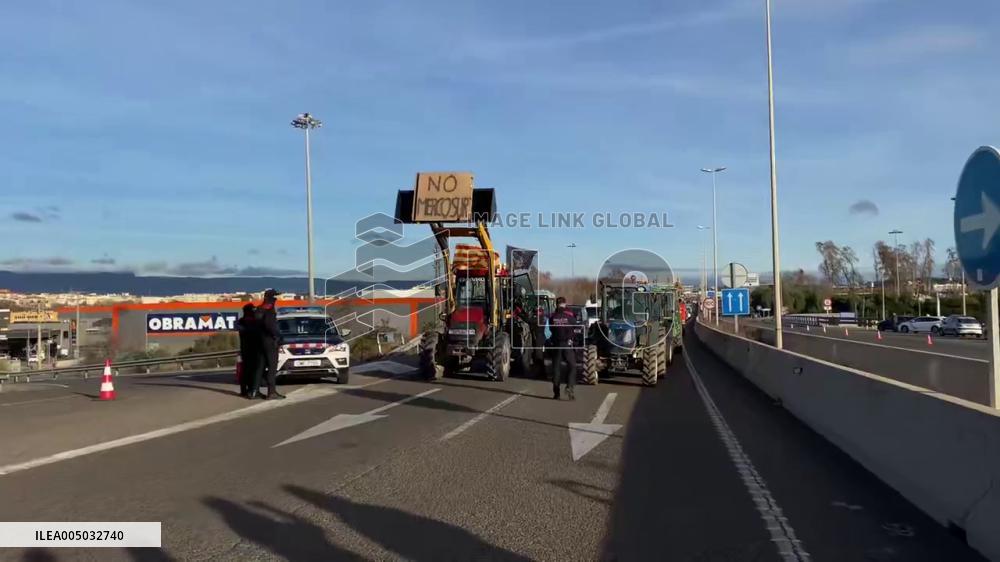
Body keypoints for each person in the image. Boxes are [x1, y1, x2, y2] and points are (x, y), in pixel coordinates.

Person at [255, 289, 285, 400]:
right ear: (272, 298)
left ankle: (255, 391)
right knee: (272, 367)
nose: (276, 300)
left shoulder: (259, 309)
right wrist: (278, 337)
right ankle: (271, 392)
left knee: (261, 367)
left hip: (259, 342)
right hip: (270, 342)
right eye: (275, 297)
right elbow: (270, 325)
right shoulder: (269, 310)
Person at [549, 296, 577, 400]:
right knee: (572, 366)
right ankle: (569, 387)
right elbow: (575, 326)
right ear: (564, 304)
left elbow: (551, 329)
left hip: (556, 344)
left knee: (556, 369)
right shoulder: (569, 316)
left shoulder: (553, 317)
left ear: (556, 304)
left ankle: (556, 393)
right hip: (567, 345)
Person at [237, 303, 262, 398]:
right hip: (254, 348)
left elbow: (240, 331)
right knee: (254, 370)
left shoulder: (240, 321)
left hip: (244, 348)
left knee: (245, 370)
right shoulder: (255, 322)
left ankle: (244, 390)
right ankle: (252, 390)